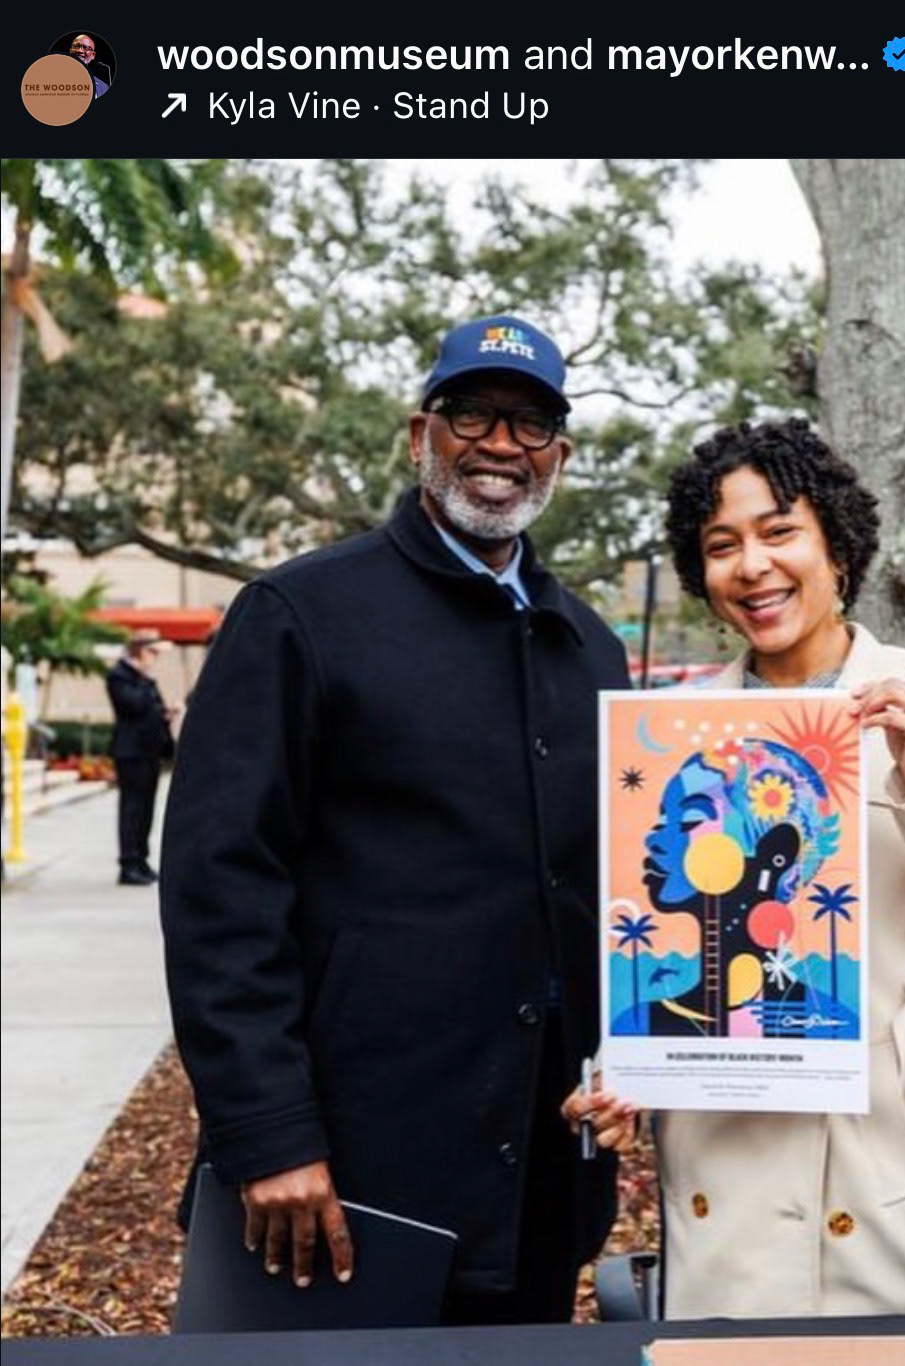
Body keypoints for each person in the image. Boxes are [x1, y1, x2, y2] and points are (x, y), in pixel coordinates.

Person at [159, 314, 629, 1325]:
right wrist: (268, 1129)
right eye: (474, 413)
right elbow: (219, 891)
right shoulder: (299, 614)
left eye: (532, 422)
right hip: (348, 1172)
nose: (502, 444)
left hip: (537, 1177)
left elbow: (612, 897)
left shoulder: (590, 645)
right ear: (421, 431)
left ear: (562, 453)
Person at [566, 418, 905, 1318]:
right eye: (721, 546)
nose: (752, 565)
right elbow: (646, 951)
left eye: (779, 531)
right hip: (729, 1206)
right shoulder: (673, 735)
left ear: (838, 544)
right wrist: (624, 1069)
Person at [106, 628, 177, 886]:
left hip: (149, 751)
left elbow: (153, 708)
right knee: (132, 809)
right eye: (152, 652)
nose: (154, 659)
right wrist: (142, 679)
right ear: (140, 652)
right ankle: (128, 862)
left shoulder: (146, 681)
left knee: (146, 809)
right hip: (130, 752)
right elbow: (133, 705)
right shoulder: (121, 676)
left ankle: (141, 859)